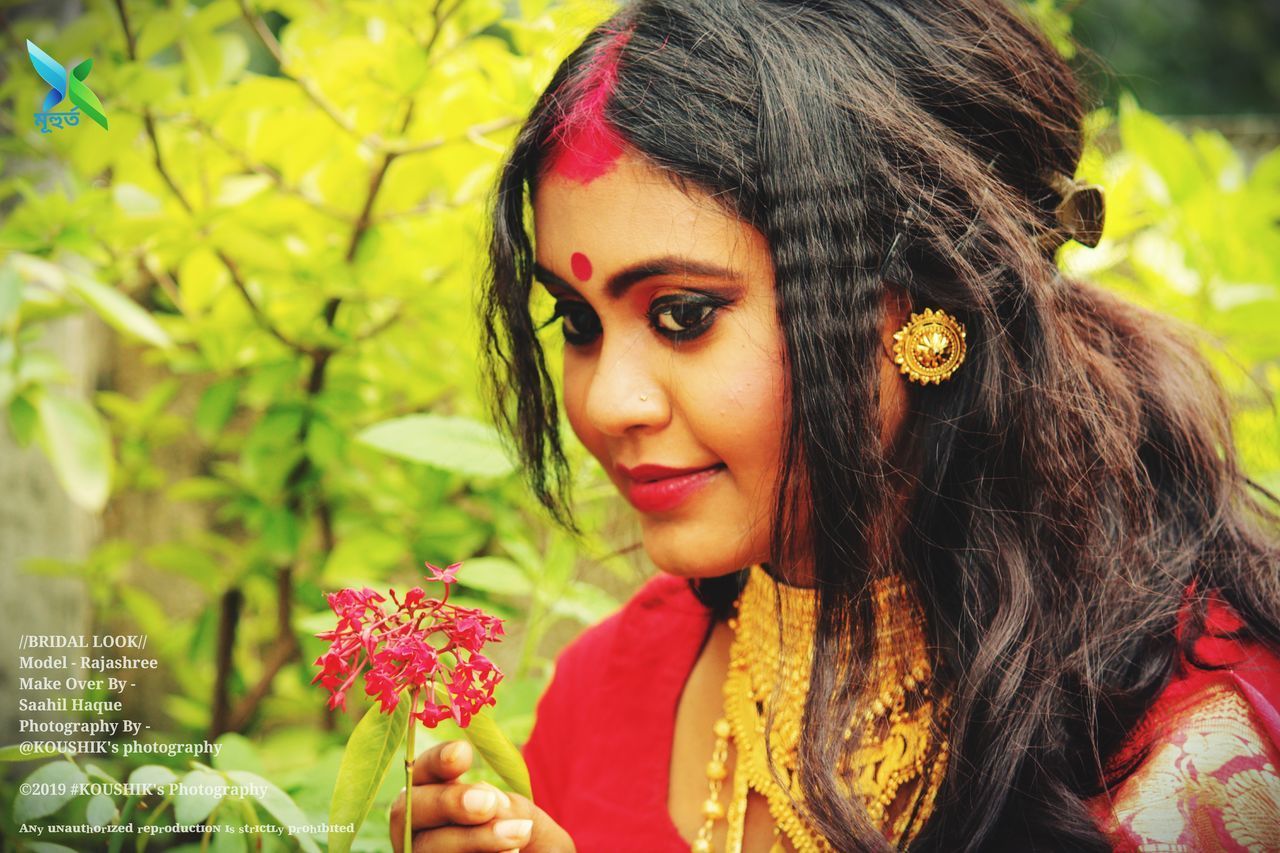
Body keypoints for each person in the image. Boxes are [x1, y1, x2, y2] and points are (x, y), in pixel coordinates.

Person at [389, 0, 1280, 849]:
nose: (607, 402)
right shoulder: (606, 689)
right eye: (577, 322)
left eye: (684, 314)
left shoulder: (1192, 756)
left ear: (927, 305)